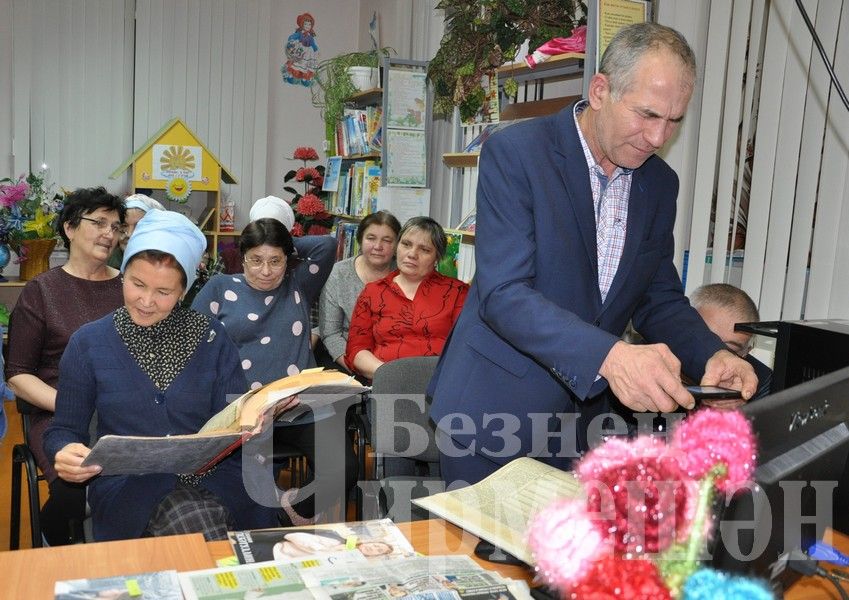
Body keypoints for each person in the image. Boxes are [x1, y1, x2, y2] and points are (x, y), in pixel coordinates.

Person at [428, 22, 758, 487]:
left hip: (583, 429)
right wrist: (612, 357)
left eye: (674, 120)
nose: (659, 137)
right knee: (479, 560)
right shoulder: (517, 153)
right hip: (490, 415)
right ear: (600, 90)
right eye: (646, 114)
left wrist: (709, 357)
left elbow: (657, 297)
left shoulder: (660, 184)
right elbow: (503, 293)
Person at [43, 210, 283, 541]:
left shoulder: (211, 337)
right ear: (123, 274)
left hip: (217, 477)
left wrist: (257, 418)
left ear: (184, 291)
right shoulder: (89, 343)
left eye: (164, 292)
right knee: (197, 526)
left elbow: (235, 418)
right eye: (137, 284)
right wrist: (65, 451)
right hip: (130, 485)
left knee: (206, 522)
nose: (146, 301)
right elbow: (63, 429)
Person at [191, 208, 354, 524]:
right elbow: (194, 348)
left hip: (301, 408)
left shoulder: (297, 285)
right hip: (243, 415)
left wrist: (277, 237)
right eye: (255, 259)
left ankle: (290, 513)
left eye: (275, 260)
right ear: (242, 257)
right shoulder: (219, 288)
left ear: (288, 259)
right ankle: (267, 525)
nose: (265, 270)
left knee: (343, 468)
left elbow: (326, 244)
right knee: (247, 499)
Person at [6, 186, 126, 545]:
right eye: (99, 222)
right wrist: (72, 404)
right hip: (59, 417)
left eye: (117, 226)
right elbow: (17, 374)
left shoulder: (129, 287)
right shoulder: (41, 291)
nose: (109, 233)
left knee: (143, 483)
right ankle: (57, 544)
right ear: (70, 228)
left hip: (122, 414)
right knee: (75, 494)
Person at [344, 216, 469, 380]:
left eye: (424, 249)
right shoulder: (373, 292)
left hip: (439, 385)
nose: (412, 254)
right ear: (397, 247)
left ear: (437, 257)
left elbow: (466, 347)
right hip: (387, 383)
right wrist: (392, 376)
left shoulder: (457, 292)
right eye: (406, 244)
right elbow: (356, 350)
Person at [319, 211, 401, 370]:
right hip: (348, 358)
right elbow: (331, 334)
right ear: (360, 240)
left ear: (397, 245)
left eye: (387, 240)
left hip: (394, 361)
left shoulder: (405, 274)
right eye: (371, 238)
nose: (378, 246)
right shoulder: (339, 274)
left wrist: (389, 374)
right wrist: (359, 368)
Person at [691, 283, 772, 400]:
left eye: (728, 349)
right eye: (705, 340)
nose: (715, 354)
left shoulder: (762, 386)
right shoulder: (658, 362)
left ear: (745, 353)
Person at [107, 192, 164, 269]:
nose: (129, 234)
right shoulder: (107, 263)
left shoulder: (164, 266)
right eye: (124, 226)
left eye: (138, 227)